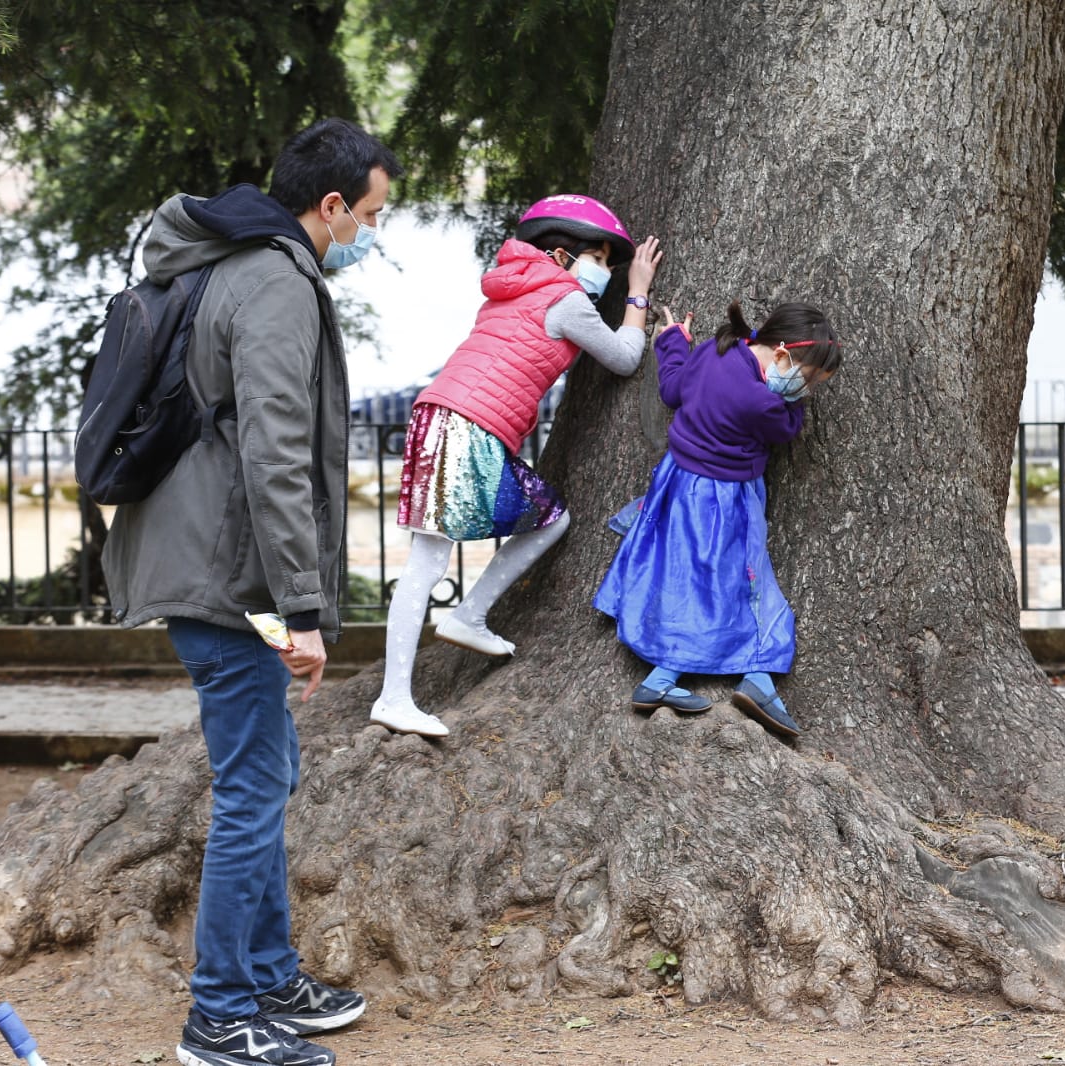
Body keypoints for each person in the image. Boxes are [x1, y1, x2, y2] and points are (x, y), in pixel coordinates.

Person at [103, 117, 401, 1066]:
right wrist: (303, 612)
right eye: (369, 215)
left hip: (217, 567)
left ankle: (268, 974)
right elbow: (274, 455)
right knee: (250, 790)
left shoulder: (233, 265)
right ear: (327, 205)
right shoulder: (276, 279)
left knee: (265, 777)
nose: (368, 232)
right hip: (226, 575)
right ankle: (220, 1015)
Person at [370, 194, 664, 737]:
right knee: (429, 563)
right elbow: (624, 358)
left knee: (547, 517)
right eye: (597, 259)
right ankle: (394, 696)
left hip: (448, 419)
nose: (604, 272)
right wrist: (638, 295)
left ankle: (467, 616)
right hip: (466, 425)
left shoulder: (513, 290)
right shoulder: (566, 301)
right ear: (559, 255)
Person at [594, 299, 842, 738]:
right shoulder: (763, 403)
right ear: (782, 355)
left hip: (675, 487)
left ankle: (660, 679)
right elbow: (787, 430)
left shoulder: (714, 350)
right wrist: (795, 405)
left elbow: (671, 388)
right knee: (745, 587)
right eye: (806, 382)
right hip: (724, 504)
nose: (805, 393)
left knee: (681, 581)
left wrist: (673, 342)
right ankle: (760, 676)